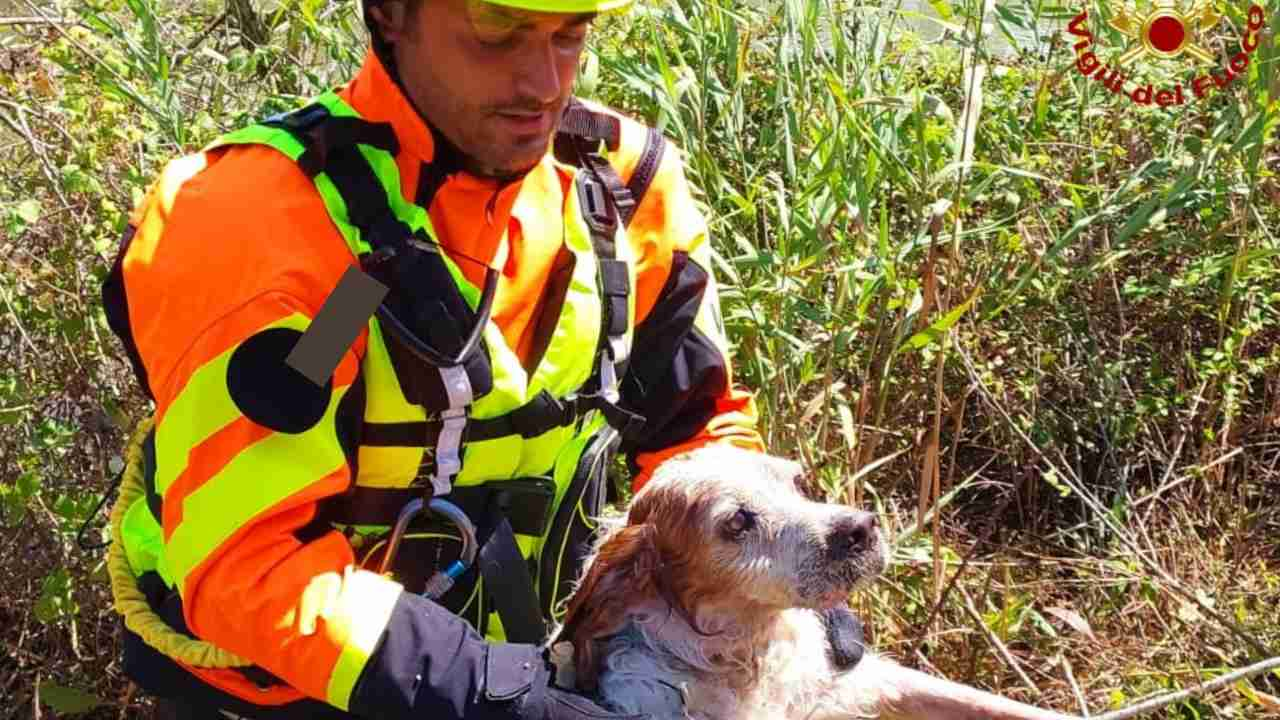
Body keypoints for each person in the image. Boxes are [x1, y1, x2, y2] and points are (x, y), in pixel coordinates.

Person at [99, 0, 771, 718]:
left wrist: (785, 569)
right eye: (498, 31)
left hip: (535, 659)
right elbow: (251, 562)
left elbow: (697, 432)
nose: (545, 82)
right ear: (390, 12)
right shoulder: (266, 222)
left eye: (569, 35)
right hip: (297, 691)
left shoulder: (621, 186)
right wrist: (491, 693)